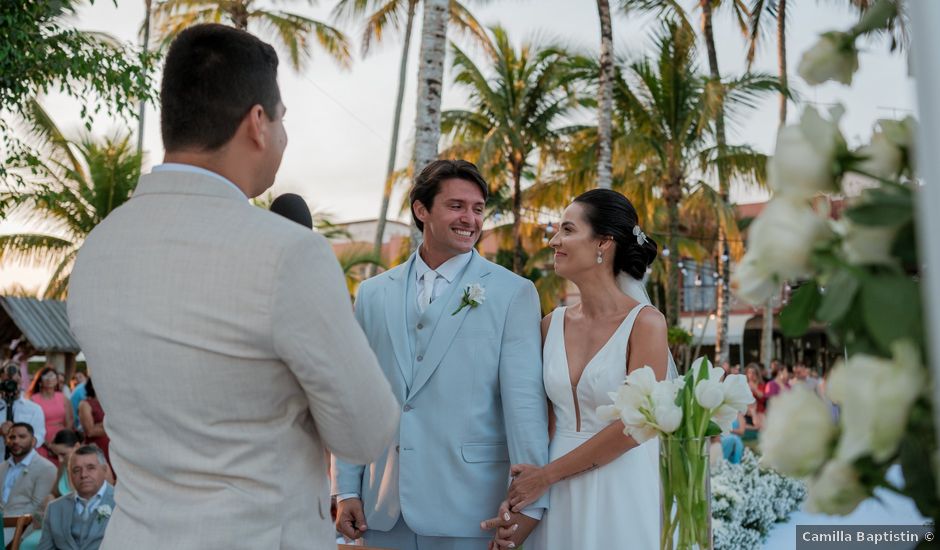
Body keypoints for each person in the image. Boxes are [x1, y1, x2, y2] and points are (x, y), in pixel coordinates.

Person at [66, 23, 398, 550]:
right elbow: (366, 431)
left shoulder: (97, 249)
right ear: (258, 123)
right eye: (283, 118)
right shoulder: (288, 254)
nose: (284, 135)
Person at [332, 160, 549, 550]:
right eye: (456, 206)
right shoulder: (373, 293)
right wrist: (346, 488)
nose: (470, 219)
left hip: (471, 509)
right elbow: (354, 397)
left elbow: (525, 403)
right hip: (383, 508)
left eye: (478, 209)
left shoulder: (512, 292)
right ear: (421, 210)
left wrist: (529, 504)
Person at [488, 189, 669, 550]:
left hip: (619, 486)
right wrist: (522, 506)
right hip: (552, 491)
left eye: (567, 230)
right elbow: (542, 423)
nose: (554, 240)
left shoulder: (646, 324)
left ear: (604, 242)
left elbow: (636, 427)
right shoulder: (548, 324)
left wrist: (547, 476)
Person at [37, 445, 115, 550]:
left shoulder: (122, 504)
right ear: (70, 475)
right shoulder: (54, 508)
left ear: (104, 470)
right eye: (76, 470)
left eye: (90, 468)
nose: (83, 475)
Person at [0, 423, 57, 542]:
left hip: (22, 529)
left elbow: (37, 507)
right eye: (12, 437)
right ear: (6, 441)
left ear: (33, 441)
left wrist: (9, 525)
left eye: (22, 436)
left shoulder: (46, 468)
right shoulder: (2, 467)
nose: (16, 441)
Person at [28, 366, 74, 463]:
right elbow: (31, 427)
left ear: (57, 380)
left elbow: (69, 421)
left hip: (62, 440)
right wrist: (49, 446)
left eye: (53, 376)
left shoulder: (63, 398)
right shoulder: (33, 400)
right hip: (41, 441)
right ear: (40, 381)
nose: (49, 379)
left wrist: (64, 441)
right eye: (46, 377)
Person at [0, 365, 47, 449]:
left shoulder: (34, 409)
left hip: (24, 460)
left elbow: (39, 436)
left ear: (21, 382)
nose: (11, 386)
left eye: (15, 382)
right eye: (7, 382)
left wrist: (19, 438)